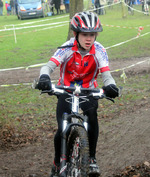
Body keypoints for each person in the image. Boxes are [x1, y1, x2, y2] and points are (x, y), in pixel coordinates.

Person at [37, 11, 119, 177]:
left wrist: (111, 86)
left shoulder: (100, 50)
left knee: (92, 118)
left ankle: (91, 159)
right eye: (84, 35)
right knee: (62, 129)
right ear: (76, 34)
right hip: (65, 90)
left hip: (89, 92)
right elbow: (48, 66)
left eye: (92, 35)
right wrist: (44, 77)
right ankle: (57, 162)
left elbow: (107, 75)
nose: (89, 39)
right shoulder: (66, 48)